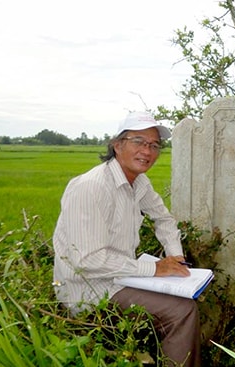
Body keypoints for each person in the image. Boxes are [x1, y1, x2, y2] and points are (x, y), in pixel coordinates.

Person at [53, 111, 201, 367]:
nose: (148, 150)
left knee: (188, 297)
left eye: (154, 145)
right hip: (88, 289)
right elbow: (86, 259)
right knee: (181, 311)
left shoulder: (138, 183)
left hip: (118, 277)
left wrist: (175, 255)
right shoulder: (92, 187)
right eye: (139, 141)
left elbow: (163, 219)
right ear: (117, 145)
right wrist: (155, 268)